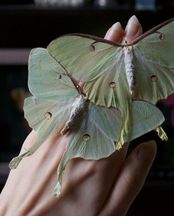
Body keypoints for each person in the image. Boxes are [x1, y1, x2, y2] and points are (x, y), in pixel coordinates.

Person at [0, 16, 157, 216]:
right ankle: (33, 160)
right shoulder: (101, 98)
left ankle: (43, 168)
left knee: (54, 145)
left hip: (65, 110)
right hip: (75, 117)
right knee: (46, 141)